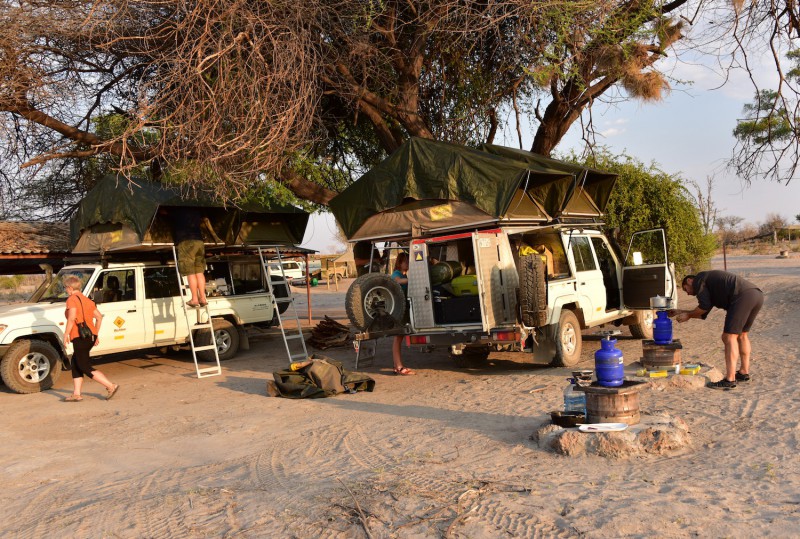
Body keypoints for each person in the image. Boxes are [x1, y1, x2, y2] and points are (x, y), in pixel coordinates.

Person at [669, 270, 764, 390]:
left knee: (728, 337)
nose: (687, 293)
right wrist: (681, 312)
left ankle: (730, 379)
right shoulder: (709, 284)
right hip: (756, 295)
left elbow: (702, 307)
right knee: (742, 335)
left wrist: (688, 316)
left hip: (741, 296)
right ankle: (743, 372)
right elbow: (702, 312)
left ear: (689, 281)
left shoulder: (699, 280)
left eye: (685, 289)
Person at [62, 275, 119, 401]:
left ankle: (111, 385)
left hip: (80, 336)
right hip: (90, 336)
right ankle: (76, 394)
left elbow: (72, 318)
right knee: (76, 363)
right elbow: (99, 317)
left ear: (70, 287)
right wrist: (95, 334)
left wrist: (65, 334)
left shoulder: (71, 299)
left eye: (65, 288)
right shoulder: (88, 300)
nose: (65, 290)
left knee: (84, 365)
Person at [168, 207, 222, 307]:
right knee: (199, 272)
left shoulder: (177, 209)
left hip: (186, 242)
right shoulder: (196, 208)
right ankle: (202, 298)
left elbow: (167, 213)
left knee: (190, 272)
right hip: (199, 241)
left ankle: (194, 299)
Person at [390, 251, 415, 375]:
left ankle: (397, 366)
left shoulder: (404, 274)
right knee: (398, 338)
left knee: (399, 337)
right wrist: (411, 280)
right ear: (400, 263)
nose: (408, 264)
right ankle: (399, 367)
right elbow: (397, 281)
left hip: (403, 309)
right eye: (406, 261)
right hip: (398, 310)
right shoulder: (397, 274)